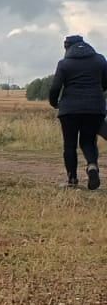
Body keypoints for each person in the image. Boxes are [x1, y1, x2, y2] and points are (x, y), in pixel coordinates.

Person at [47, 35, 107, 190]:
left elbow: (55, 88)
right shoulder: (99, 60)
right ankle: (92, 166)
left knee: (70, 144)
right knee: (88, 141)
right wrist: (96, 92)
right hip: (95, 108)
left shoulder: (64, 64)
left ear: (68, 47)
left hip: (69, 110)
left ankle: (72, 180)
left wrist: (55, 104)